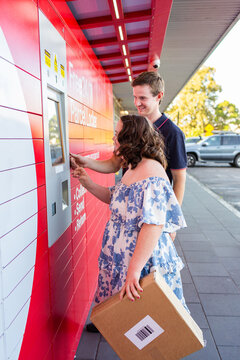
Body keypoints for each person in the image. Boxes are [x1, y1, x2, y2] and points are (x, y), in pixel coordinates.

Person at [71, 115, 189, 333]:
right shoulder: (133, 167)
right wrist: (86, 181)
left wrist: (133, 271)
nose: (114, 139)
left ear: (131, 138)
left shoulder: (152, 173)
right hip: (125, 257)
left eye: (118, 135)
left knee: (150, 322)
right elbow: (112, 197)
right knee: (133, 323)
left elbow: (152, 226)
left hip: (142, 261)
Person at [70, 72, 187, 241]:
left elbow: (179, 178)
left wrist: (171, 221)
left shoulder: (172, 133)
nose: (137, 103)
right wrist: (86, 162)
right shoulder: (133, 127)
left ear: (159, 96)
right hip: (129, 211)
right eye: (135, 97)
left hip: (152, 215)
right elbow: (115, 164)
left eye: (143, 98)